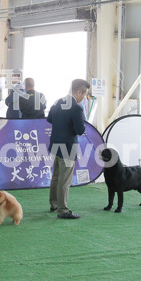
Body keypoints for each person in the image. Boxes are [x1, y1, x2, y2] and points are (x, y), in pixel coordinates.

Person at [47, 79, 90, 220]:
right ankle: (63, 210)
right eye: (84, 95)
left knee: (56, 176)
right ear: (79, 92)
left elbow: (49, 118)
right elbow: (79, 130)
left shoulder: (58, 102)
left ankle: (54, 204)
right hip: (68, 147)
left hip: (55, 144)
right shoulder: (76, 108)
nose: (84, 98)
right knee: (64, 180)